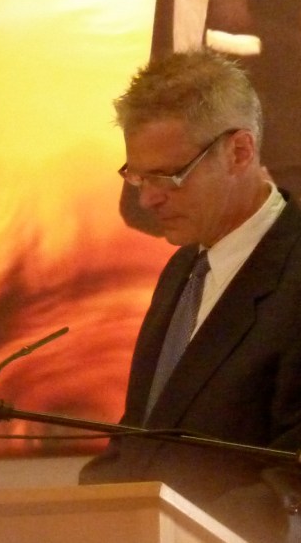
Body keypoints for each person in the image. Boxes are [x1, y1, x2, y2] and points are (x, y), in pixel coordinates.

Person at [79, 50, 301, 543]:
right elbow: (143, 438)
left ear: (239, 151)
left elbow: (293, 484)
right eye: (138, 177)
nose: (148, 198)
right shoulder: (183, 269)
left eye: (169, 175)